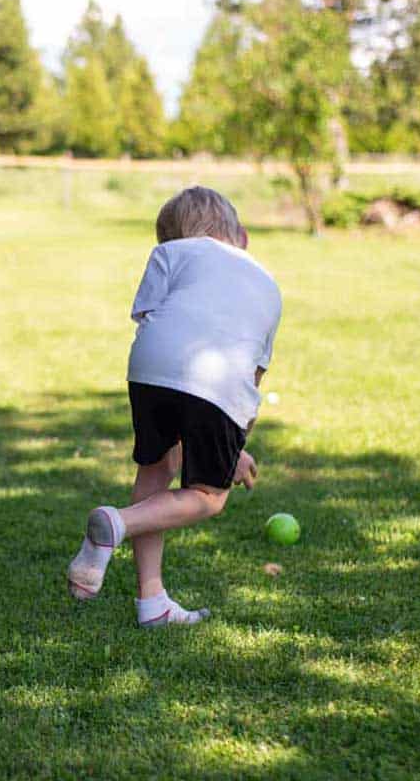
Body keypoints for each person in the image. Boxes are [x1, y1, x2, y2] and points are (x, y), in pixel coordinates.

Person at [66, 186, 281, 627]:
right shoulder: (266, 282)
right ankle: (117, 523)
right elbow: (252, 377)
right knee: (207, 497)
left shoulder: (169, 254)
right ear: (241, 235)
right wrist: (234, 445)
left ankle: (153, 602)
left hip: (150, 367)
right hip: (219, 380)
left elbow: (150, 317)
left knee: (156, 471)